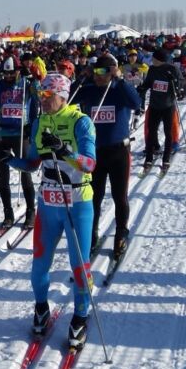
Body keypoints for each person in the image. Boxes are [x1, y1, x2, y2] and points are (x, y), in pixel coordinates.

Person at [5, 73, 97, 350]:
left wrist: (65, 150)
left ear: (62, 95)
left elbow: (90, 164)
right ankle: (41, 307)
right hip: (48, 203)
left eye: (47, 96)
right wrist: (10, 160)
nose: (42, 100)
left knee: (79, 267)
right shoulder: (39, 121)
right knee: (38, 267)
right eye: (40, 96)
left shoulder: (81, 122)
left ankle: (80, 316)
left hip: (77, 201)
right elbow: (33, 163)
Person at [73, 55, 141, 257]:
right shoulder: (90, 89)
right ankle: (91, 233)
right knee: (94, 196)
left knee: (120, 196)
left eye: (103, 72)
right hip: (95, 152)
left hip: (119, 151)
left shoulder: (118, 90)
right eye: (95, 72)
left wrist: (119, 79)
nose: (98, 76)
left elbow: (136, 102)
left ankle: (121, 232)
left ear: (111, 72)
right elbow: (69, 98)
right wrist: (82, 78)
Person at [0, 59, 38, 230]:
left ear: (19, 70)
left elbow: (39, 95)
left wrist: (33, 79)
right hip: (1, 134)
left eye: (12, 72)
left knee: (25, 173)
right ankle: (8, 213)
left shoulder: (26, 84)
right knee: (3, 176)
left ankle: (31, 211)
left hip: (21, 134)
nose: (9, 76)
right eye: (6, 73)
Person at [138, 49, 184, 174]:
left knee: (168, 133)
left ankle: (166, 159)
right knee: (151, 132)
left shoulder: (173, 69)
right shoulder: (152, 69)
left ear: (160, 60)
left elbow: (181, 84)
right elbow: (148, 83)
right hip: (154, 105)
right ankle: (149, 157)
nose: (152, 60)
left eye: (154, 59)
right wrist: (142, 88)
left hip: (168, 106)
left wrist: (174, 82)